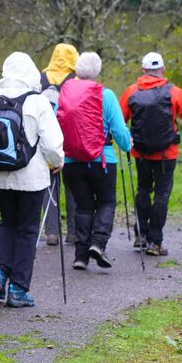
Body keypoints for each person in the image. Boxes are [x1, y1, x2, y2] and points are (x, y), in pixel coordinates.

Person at [0, 52, 64, 308]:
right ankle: (18, 289)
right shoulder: (38, 101)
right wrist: (58, 161)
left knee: (7, 223)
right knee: (28, 229)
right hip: (32, 179)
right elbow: (53, 144)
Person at [119, 52, 182, 256]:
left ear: (143, 70)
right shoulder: (175, 92)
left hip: (140, 153)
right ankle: (155, 242)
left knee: (143, 190)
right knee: (161, 195)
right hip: (166, 154)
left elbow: (119, 120)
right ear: (163, 69)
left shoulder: (131, 92)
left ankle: (141, 236)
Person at [57, 51, 132, 270]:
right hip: (102, 161)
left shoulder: (64, 94)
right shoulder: (106, 95)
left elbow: (55, 124)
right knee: (107, 202)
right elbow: (119, 131)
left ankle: (80, 256)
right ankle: (98, 244)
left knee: (83, 206)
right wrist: (127, 145)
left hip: (71, 161)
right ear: (97, 70)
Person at [39, 43, 79, 247]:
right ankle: (73, 232)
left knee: (49, 184)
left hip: (46, 138)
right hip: (69, 139)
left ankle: (52, 233)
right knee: (72, 186)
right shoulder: (76, 80)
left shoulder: (41, 78)